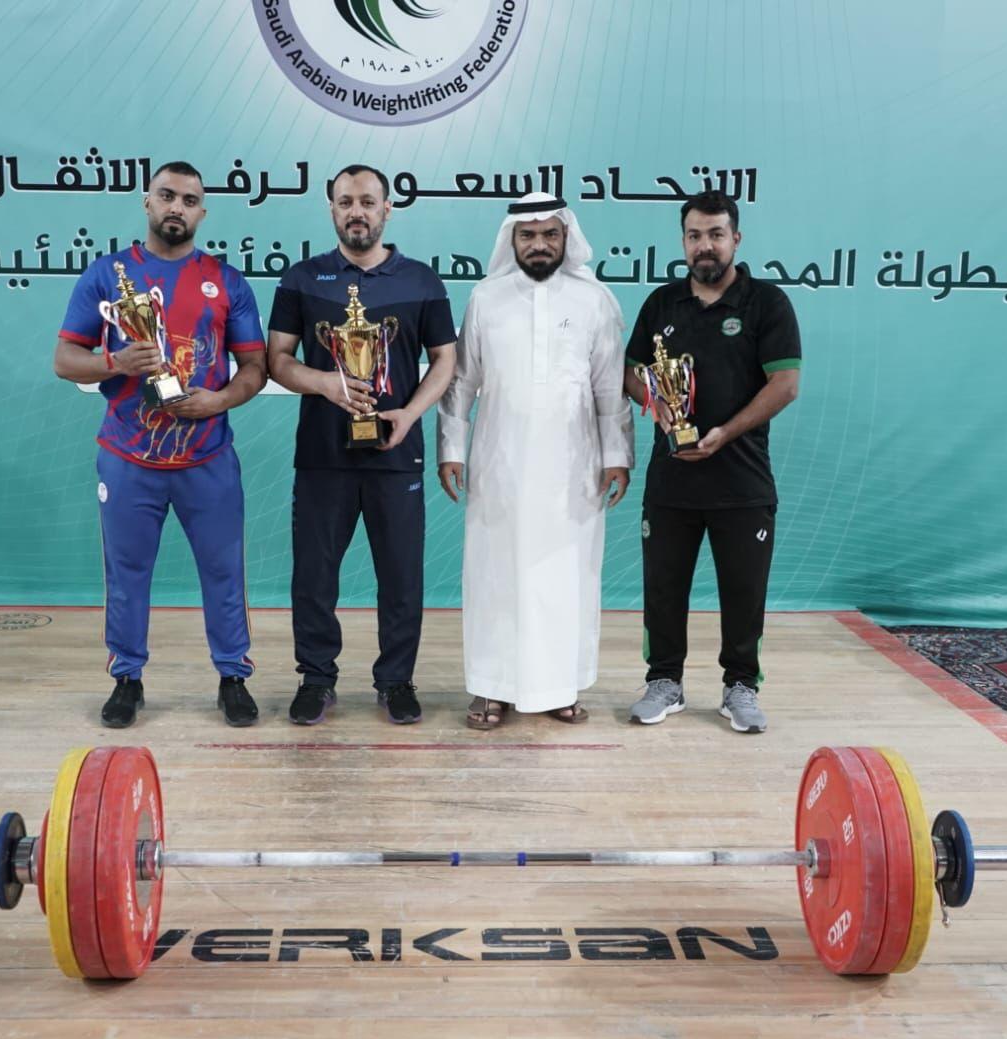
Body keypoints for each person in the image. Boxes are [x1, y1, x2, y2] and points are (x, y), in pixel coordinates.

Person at [53, 161, 267, 729]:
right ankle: (127, 678)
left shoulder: (226, 281)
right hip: (129, 457)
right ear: (147, 202)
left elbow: (254, 368)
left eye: (189, 200)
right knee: (126, 573)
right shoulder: (107, 275)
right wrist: (116, 361)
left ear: (202, 213)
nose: (177, 207)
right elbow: (64, 360)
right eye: (167, 195)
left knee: (224, 571)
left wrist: (217, 401)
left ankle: (233, 676)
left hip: (207, 457)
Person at [265, 164, 458, 725]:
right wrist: (325, 382)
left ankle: (396, 681)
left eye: (368, 202)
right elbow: (277, 360)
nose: (357, 212)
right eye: (346, 201)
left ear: (386, 209)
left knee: (401, 577)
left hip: (396, 453)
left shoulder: (421, 281)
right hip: (322, 455)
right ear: (332, 208)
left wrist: (410, 414)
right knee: (314, 576)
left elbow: (445, 359)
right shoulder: (302, 278)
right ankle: (316, 678)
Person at [436, 192, 633, 730]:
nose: (539, 244)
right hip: (499, 463)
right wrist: (451, 449)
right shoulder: (486, 298)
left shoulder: (594, 300)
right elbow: (461, 382)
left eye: (550, 234)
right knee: (495, 574)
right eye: (528, 235)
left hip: (574, 469)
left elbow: (609, 387)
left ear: (566, 237)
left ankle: (558, 687)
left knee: (565, 577)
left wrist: (617, 456)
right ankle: (491, 688)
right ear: (512, 239)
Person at [624, 190, 801, 732]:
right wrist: (657, 405)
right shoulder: (661, 303)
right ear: (684, 241)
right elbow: (630, 371)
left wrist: (726, 433)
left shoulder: (766, 302)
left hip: (742, 481)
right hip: (671, 480)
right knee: (663, 588)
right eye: (695, 235)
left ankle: (740, 687)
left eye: (716, 235)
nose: (705, 246)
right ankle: (664, 682)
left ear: (735, 239)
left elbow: (785, 384)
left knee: (744, 592)